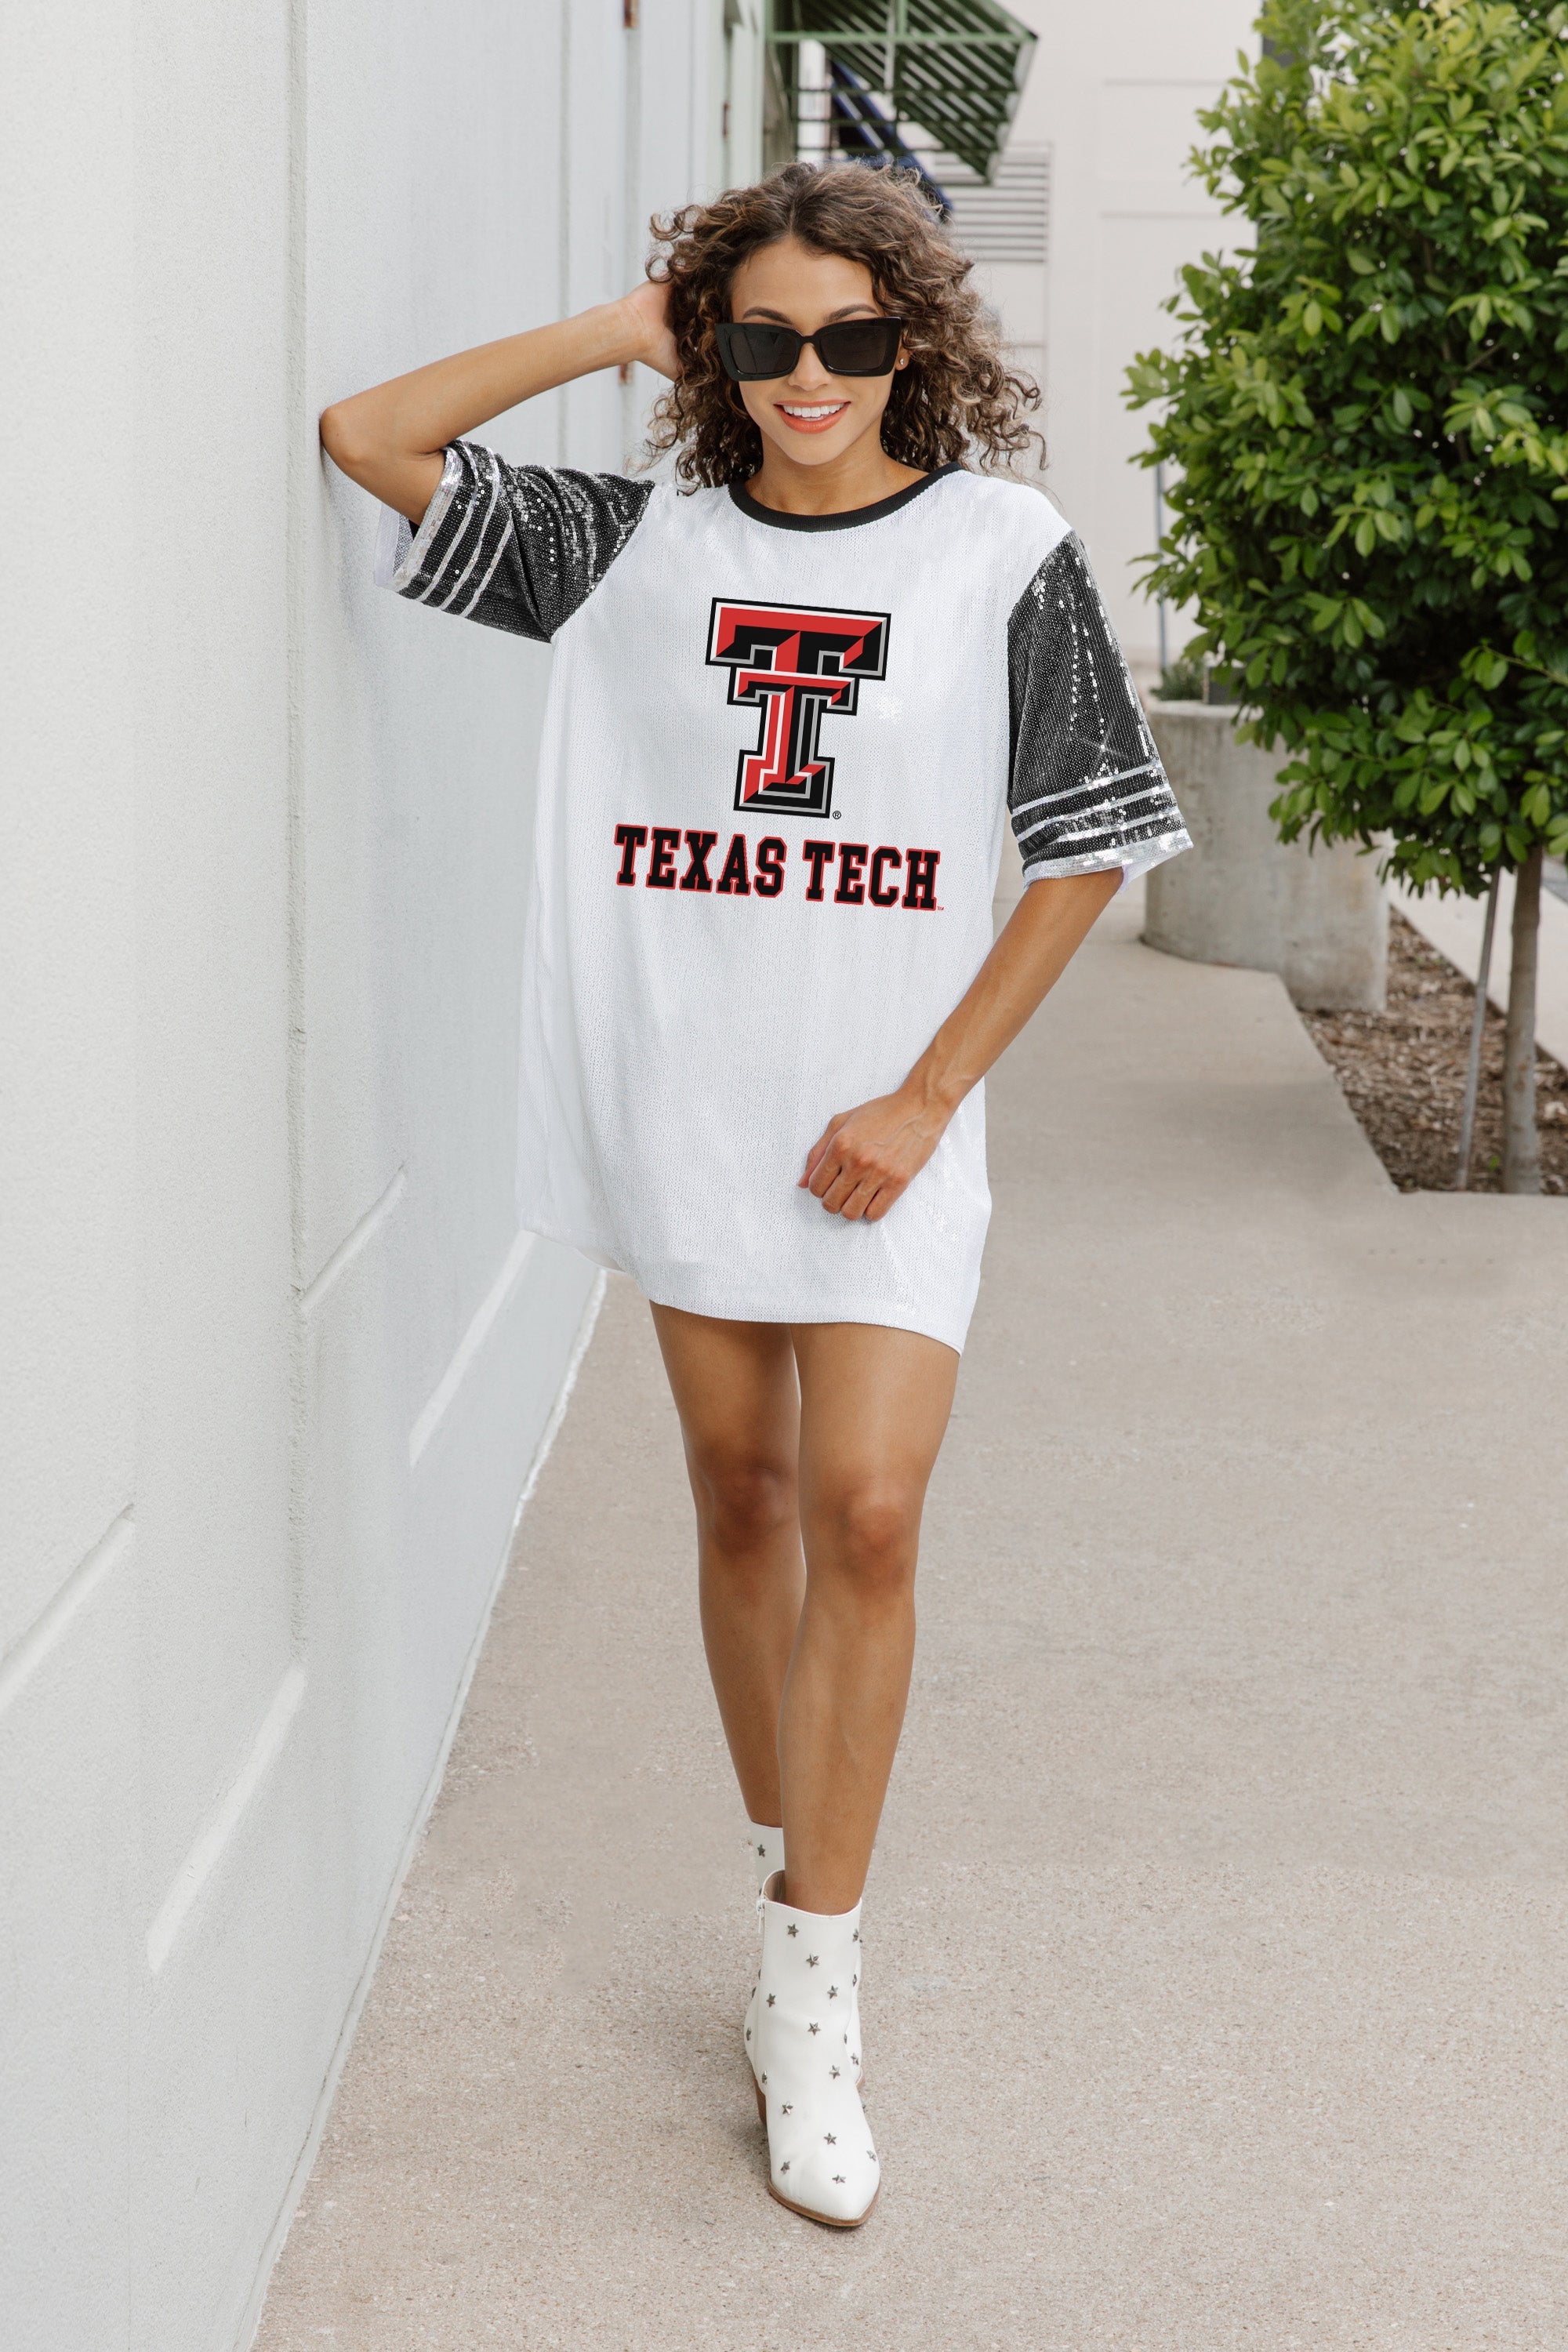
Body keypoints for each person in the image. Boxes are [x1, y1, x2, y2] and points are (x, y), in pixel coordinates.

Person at [320, 159, 1189, 2230]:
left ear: (916, 343)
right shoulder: (634, 546)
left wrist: (926, 1095)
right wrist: (617, 332)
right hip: (692, 1108)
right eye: (766, 335)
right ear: (718, 346)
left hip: (889, 1122)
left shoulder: (1000, 552)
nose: (813, 374)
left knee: (868, 1511)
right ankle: (787, 1868)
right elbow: (370, 437)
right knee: (743, 1497)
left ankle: (815, 1987)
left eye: (854, 335)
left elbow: (1084, 849)